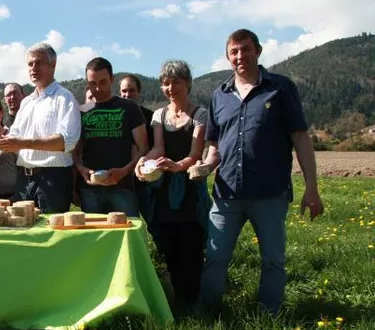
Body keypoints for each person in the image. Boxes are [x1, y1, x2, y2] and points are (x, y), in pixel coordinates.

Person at [197, 29, 324, 314]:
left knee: (273, 259)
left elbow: (300, 138)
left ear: (258, 51)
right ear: (228, 57)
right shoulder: (220, 95)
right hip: (226, 192)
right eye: (234, 52)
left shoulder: (280, 88)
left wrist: (311, 188)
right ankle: (207, 312)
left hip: (270, 192)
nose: (240, 56)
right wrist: (205, 166)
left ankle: (269, 314)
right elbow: (216, 146)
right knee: (215, 256)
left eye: (245, 49)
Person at [134, 60, 209, 307]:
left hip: (189, 188)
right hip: (164, 190)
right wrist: (142, 161)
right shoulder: (159, 115)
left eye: (176, 82)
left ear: (187, 83)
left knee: (191, 244)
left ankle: (194, 299)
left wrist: (177, 166)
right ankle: (177, 299)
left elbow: (195, 154)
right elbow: (158, 148)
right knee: (169, 244)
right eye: (165, 83)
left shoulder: (200, 115)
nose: (170, 88)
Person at [0, 43, 81, 213]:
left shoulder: (65, 98)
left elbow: (66, 141)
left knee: (52, 234)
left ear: (53, 65)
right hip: (23, 178)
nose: (33, 68)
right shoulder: (26, 102)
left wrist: (22, 143)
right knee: (22, 233)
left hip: (53, 178)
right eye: (30, 64)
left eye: (38, 63)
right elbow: (15, 137)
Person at [74, 57, 147, 217]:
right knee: (94, 239)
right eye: (93, 83)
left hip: (123, 188)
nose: (98, 88)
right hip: (90, 190)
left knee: (126, 236)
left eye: (103, 82)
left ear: (112, 79)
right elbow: (75, 150)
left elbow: (143, 148)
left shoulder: (129, 107)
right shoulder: (81, 111)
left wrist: (124, 171)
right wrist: (81, 169)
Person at [120, 74, 154, 148]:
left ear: (139, 92)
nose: (127, 95)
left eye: (131, 90)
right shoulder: (115, 117)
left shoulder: (151, 117)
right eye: (124, 91)